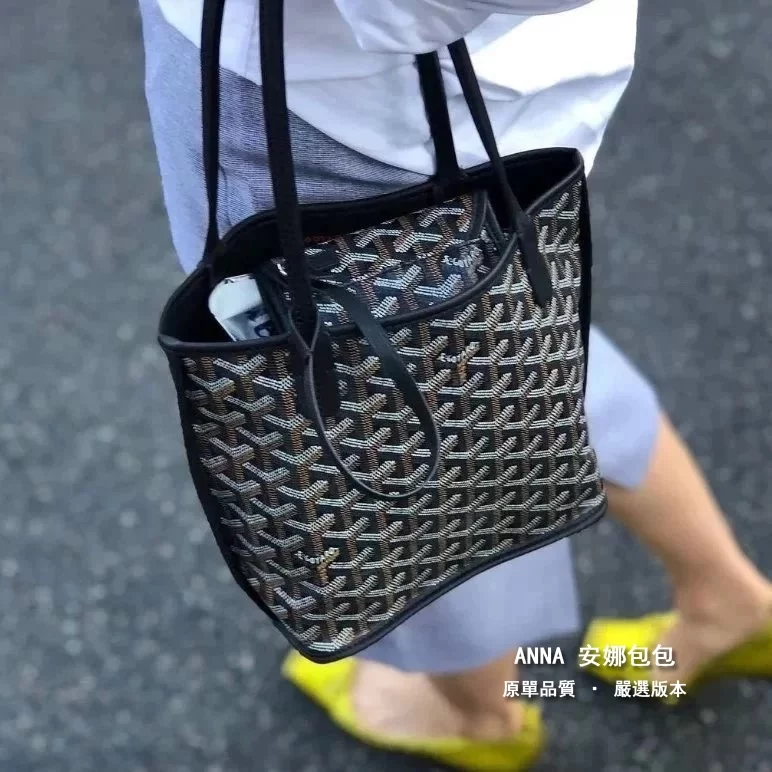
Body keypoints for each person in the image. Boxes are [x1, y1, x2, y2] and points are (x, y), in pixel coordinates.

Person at [139, 0, 772, 769]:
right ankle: (725, 597)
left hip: (330, 96)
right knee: (507, 343)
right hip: (529, 68)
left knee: (381, 430)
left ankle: (479, 717)